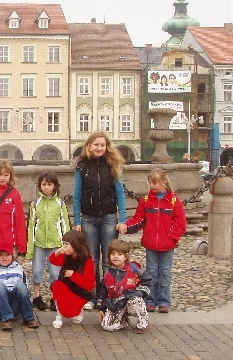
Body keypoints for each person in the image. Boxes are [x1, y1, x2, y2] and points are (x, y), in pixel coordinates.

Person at [72, 130, 127, 310]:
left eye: (102, 145)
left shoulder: (113, 164)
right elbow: (77, 196)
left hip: (109, 216)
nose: (99, 148)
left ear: (107, 146)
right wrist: (77, 221)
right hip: (88, 218)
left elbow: (120, 194)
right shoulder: (82, 166)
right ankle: (92, 295)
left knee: (109, 259)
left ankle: (108, 294)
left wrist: (122, 219)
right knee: (92, 260)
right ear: (89, 146)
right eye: (96, 144)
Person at [125, 168, 187, 313]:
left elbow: (181, 222)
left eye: (154, 183)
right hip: (151, 243)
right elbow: (138, 219)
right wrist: (126, 226)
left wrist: (173, 237)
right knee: (151, 273)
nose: (151, 186)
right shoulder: (146, 200)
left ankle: (164, 301)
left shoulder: (173, 201)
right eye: (150, 183)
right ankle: (150, 300)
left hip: (167, 244)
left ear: (164, 183)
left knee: (165, 273)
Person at [26, 171, 70, 312]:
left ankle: (54, 298)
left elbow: (65, 224)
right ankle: (36, 296)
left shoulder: (60, 203)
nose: (46, 187)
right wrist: (30, 246)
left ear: (54, 186)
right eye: (43, 184)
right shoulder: (35, 203)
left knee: (55, 272)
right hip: (39, 243)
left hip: (55, 244)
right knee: (36, 270)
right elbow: (31, 225)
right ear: (40, 186)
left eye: (49, 184)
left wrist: (66, 243)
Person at [94, 240, 152, 334]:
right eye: (113, 254)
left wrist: (139, 292)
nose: (116, 256)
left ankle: (143, 322)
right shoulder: (108, 274)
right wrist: (101, 309)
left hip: (132, 301)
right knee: (107, 326)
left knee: (136, 302)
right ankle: (123, 321)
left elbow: (148, 281)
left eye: (119, 254)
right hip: (117, 303)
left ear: (126, 256)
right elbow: (103, 292)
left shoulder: (134, 270)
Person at [48, 230, 95, 329]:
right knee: (56, 285)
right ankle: (59, 316)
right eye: (63, 244)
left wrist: (73, 275)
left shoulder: (87, 260)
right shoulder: (66, 256)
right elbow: (52, 260)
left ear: (76, 245)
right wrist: (58, 252)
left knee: (76, 319)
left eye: (67, 244)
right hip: (66, 288)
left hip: (80, 293)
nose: (64, 247)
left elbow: (89, 284)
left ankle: (78, 309)